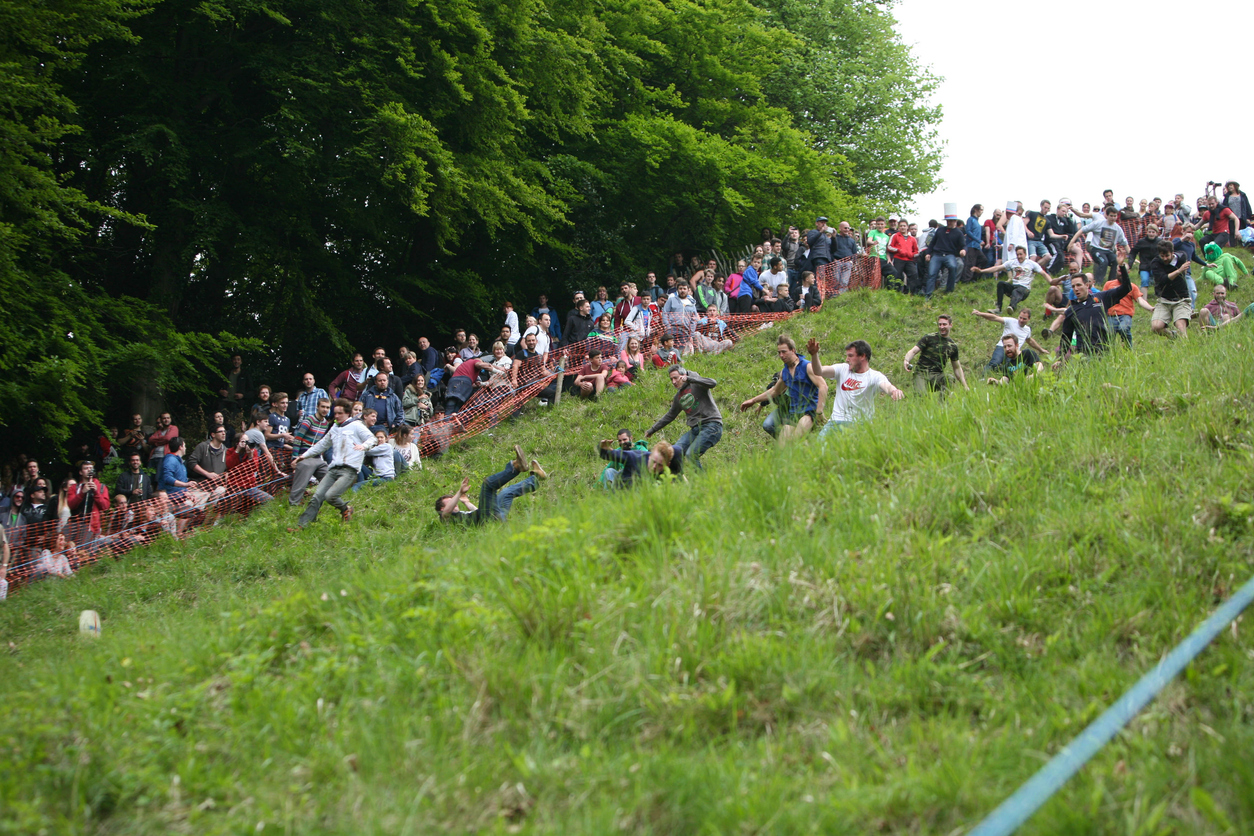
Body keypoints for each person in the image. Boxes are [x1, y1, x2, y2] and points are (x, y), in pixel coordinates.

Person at [290, 398, 376, 529]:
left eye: (339, 413)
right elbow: (321, 445)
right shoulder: (335, 428)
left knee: (330, 496)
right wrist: (303, 456)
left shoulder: (357, 425)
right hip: (333, 468)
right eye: (335, 413)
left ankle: (346, 508)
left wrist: (364, 446)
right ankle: (302, 526)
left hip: (349, 470)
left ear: (348, 413)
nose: (336, 416)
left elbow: (372, 439)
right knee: (317, 497)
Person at [739, 335, 828, 444]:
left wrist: (819, 411)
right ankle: (807, 447)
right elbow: (774, 391)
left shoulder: (807, 366)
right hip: (794, 412)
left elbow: (823, 386)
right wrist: (753, 401)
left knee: (796, 440)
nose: (781, 355)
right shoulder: (784, 372)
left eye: (784, 352)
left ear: (793, 350)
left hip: (809, 412)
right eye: (779, 352)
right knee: (783, 446)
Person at [806, 338, 903, 435]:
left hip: (860, 424)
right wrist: (814, 355)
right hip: (835, 422)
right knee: (820, 447)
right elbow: (819, 371)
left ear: (862, 356)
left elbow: (887, 386)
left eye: (850, 356)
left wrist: (894, 391)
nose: (847, 359)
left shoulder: (874, 376)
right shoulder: (842, 369)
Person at [1053, 255, 1133, 369]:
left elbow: (1126, 288)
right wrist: (1060, 360)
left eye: (1079, 285)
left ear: (1087, 285)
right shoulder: (1071, 311)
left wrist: (1122, 267)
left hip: (1104, 351)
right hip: (1084, 355)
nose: (1076, 288)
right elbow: (1066, 338)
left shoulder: (1101, 298)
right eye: (1073, 286)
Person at [435, 445, 548, 525]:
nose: (455, 504)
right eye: (450, 503)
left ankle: (536, 478)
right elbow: (446, 512)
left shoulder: (462, 514)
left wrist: (467, 502)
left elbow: (481, 511)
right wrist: (459, 492)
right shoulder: (446, 520)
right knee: (488, 485)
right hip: (488, 522)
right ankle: (515, 467)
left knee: (506, 492)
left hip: (494, 517)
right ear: (442, 508)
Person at [645, 366, 723, 470]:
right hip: (695, 429)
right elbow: (670, 416)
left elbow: (713, 383)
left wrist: (690, 378)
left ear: (683, 376)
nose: (673, 381)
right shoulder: (678, 397)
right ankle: (678, 481)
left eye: (675, 378)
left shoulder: (697, 384)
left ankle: (703, 482)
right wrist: (652, 430)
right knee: (673, 453)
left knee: (691, 455)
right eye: (671, 379)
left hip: (712, 425)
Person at [903, 315, 970, 396]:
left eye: (944, 324)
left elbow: (957, 367)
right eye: (939, 324)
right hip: (921, 374)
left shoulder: (952, 346)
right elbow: (913, 351)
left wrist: (965, 386)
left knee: (949, 379)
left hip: (937, 375)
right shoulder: (929, 338)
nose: (941, 327)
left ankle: (942, 406)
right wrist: (906, 360)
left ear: (950, 325)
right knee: (921, 395)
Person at [974, 245, 1049, 313]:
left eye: (1021, 254)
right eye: (1017, 255)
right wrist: (981, 271)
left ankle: (1012, 307)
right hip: (1014, 287)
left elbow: (1044, 274)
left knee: (1017, 291)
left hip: (1025, 289)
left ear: (1025, 254)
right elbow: (997, 268)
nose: (1019, 256)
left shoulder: (1031, 264)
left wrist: (1052, 282)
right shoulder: (1013, 262)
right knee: (1001, 284)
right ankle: (998, 308)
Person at [1069, 205, 1128, 287]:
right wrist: (1071, 242)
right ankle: (1097, 284)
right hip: (1096, 249)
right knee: (1103, 262)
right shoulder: (1099, 223)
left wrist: (1131, 256)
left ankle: (1111, 283)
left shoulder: (1118, 228)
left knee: (1115, 261)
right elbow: (1082, 230)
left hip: (1109, 251)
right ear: (1106, 215)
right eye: (1111, 216)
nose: (1113, 218)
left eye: (1115, 216)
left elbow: (1125, 243)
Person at [288, 397, 331, 507]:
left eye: (327, 407)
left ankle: (324, 503)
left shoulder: (325, 423)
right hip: (304, 456)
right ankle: (293, 507)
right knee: (300, 485)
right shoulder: (309, 420)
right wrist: (295, 458)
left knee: (329, 477)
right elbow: (298, 439)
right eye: (323, 407)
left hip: (317, 457)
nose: (325, 410)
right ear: (317, 407)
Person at [970, 308, 1048, 368]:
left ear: (1029, 319)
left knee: (1008, 367)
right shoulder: (1011, 321)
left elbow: (1030, 340)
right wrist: (980, 313)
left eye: (1024, 319)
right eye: (1020, 317)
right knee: (994, 363)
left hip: (1014, 351)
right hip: (1002, 347)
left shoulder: (1027, 329)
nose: (1021, 320)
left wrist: (1041, 349)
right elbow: (994, 318)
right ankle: (984, 377)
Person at [1148, 240, 1193, 339]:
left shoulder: (1182, 257)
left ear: (1173, 253)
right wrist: (1179, 270)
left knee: (1180, 325)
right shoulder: (1155, 263)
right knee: (1156, 327)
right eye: (1162, 256)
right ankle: (1173, 336)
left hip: (1181, 299)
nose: (1164, 258)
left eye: (1167, 256)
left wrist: (1180, 271)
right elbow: (1163, 279)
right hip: (1164, 300)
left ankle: (1185, 346)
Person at [1100, 269, 1155, 347]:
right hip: (1111, 315)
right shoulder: (1109, 284)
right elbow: (1103, 299)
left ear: (1128, 272)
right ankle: (1109, 352)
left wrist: (1150, 308)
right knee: (1109, 333)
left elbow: (1140, 299)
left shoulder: (1131, 286)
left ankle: (1128, 347)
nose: (1121, 273)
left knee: (1124, 329)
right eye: (1119, 271)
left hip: (1125, 315)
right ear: (1116, 271)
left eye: (1124, 271)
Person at [597, 438, 682, 487]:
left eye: (659, 465)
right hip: (620, 490)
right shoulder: (634, 457)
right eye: (653, 461)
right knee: (609, 472)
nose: (654, 466)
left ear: (667, 465)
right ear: (650, 456)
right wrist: (603, 448)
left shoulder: (669, 473)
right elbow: (607, 454)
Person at [66, 460, 111, 543]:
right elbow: (71, 505)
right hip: (75, 525)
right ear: (80, 472)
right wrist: (82, 493)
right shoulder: (74, 488)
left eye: (91, 468)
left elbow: (105, 507)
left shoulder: (101, 487)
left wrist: (96, 492)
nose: (89, 470)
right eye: (86, 468)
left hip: (92, 527)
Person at [923, 216, 967, 298]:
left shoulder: (958, 233)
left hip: (949, 255)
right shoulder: (940, 230)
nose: (949, 223)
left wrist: (963, 250)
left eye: (951, 221)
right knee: (931, 273)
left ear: (955, 221)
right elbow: (932, 243)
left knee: (953, 267)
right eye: (947, 221)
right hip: (937, 254)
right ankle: (928, 295)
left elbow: (963, 245)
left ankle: (949, 291)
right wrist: (928, 253)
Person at [888, 220, 921, 294]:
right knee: (897, 276)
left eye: (904, 226)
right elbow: (889, 247)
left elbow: (917, 251)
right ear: (898, 227)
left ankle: (912, 293)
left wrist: (912, 255)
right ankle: (897, 293)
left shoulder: (912, 239)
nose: (902, 227)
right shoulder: (895, 236)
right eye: (901, 226)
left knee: (914, 274)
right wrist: (899, 250)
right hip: (898, 259)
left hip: (909, 260)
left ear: (907, 227)